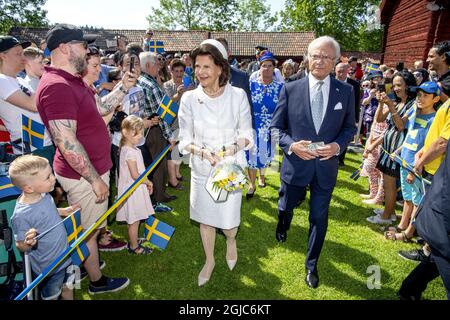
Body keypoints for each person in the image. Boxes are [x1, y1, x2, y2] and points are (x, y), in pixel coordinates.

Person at [36, 24, 132, 295]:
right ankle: (97, 281)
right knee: (87, 233)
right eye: (82, 46)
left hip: (93, 170)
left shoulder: (73, 80)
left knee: (91, 228)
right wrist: (93, 180)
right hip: (83, 176)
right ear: (65, 49)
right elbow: (67, 141)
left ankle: (89, 266)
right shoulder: (56, 87)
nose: (87, 50)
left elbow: (100, 108)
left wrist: (123, 87)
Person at [270, 36, 356, 289]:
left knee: (319, 217)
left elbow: (349, 128)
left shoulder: (346, 91)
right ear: (307, 58)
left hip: (325, 169)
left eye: (326, 57)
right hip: (296, 165)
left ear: (335, 61)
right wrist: (292, 145)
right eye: (316, 55)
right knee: (286, 206)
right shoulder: (290, 88)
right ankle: (283, 222)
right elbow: (276, 129)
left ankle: (311, 265)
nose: (320, 61)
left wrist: (338, 146)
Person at [178, 39, 253, 286]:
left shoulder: (238, 96)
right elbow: (184, 138)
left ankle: (231, 241)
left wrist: (230, 149)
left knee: (229, 223)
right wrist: (200, 152)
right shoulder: (189, 99)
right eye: (197, 66)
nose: (200, 72)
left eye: (206, 66)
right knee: (205, 219)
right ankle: (209, 259)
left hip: (229, 168)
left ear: (220, 68)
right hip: (201, 170)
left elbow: (247, 134)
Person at [9, 155, 78, 300]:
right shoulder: (21, 215)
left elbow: (47, 212)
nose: (53, 178)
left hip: (66, 254)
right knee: (52, 295)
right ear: (29, 188)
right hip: (50, 267)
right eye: (48, 177)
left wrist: (63, 211)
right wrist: (27, 243)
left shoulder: (44, 194)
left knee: (69, 287)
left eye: (51, 173)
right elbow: (20, 245)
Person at [384, 81, 439, 241]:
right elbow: (409, 135)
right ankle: (402, 224)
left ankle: (410, 231)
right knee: (407, 197)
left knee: (417, 200)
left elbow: (428, 146)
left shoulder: (433, 120)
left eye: (425, 96)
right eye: (419, 95)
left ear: (435, 99)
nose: (420, 98)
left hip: (416, 166)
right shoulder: (415, 112)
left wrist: (416, 168)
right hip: (404, 161)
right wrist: (399, 150)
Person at [398, 136, 450, 300]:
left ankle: (409, 290)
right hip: (443, 204)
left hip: (441, 202)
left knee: (441, 253)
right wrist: (419, 164)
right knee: (444, 250)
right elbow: (440, 142)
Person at [368, 71, 417, 225]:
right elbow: (379, 119)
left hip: (398, 151)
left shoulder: (413, 104)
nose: (395, 88)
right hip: (387, 148)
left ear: (408, 86)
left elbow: (401, 126)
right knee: (387, 183)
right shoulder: (395, 102)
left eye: (399, 85)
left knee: (390, 185)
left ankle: (386, 217)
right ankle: (390, 212)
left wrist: (390, 106)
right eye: (394, 85)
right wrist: (383, 103)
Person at [138, 51, 177, 212]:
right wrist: (170, 136)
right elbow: (159, 113)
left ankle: (158, 195)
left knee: (153, 164)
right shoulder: (150, 85)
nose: (159, 67)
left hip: (146, 129)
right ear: (148, 65)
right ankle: (159, 197)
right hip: (154, 129)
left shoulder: (143, 80)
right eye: (156, 63)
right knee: (158, 165)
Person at [246, 51, 283, 199]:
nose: (266, 69)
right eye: (263, 66)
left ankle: (262, 176)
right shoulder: (251, 85)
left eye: (269, 66)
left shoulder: (281, 87)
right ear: (259, 67)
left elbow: (283, 108)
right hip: (253, 124)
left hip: (270, 126)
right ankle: (252, 184)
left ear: (274, 68)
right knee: (252, 154)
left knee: (266, 155)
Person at [116, 116, 154, 255]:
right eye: (136, 133)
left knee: (135, 217)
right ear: (125, 132)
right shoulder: (130, 151)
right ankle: (134, 246)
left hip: (135, 187)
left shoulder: (130, 148)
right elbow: (134, 175)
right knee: (134, 219)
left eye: (142, 133)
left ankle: (135, 240)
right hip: (132, 189)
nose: (140, 137)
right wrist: (148, 181)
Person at [163, 58, 191, 190]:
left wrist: (193, 91)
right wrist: (178, 94)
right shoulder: (167, 86)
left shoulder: (189, 84)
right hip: (172, 124)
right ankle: (173, 181)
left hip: (185, 123)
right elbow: (167, 104)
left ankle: (178, 174)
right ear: (171, 72)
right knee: (172, 152)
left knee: (181, 150)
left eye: (181, 71)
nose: (179, 74)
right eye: (176, 71)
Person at [335, 62, 361, 166]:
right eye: (338, 72)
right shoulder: (330, 82)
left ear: (347, 72)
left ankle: (340, 159)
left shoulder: (354, 85)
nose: (340, 74)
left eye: (343, 72)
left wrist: (355, 118)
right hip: (332, 115)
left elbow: (356, 102)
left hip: (347, 115)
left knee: (344, 137)